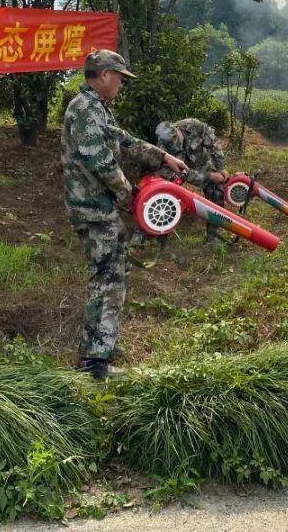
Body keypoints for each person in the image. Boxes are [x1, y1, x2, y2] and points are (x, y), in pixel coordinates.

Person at [62, 49, 188, 379]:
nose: (121, 84)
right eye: (119, 77)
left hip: (100, 208)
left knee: (111, 274)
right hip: (93, 210)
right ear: (104, 75)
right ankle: (95, 364)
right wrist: (129, 194)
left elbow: (124, 140)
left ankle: (97, 353)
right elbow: (99, 160)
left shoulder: (98, 109)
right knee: (108, 278)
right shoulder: (85, 110)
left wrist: (163, 157)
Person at [155, 118, 229, 245]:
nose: (175, 146)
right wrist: (210, 176)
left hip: (199, 160)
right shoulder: (162, 147)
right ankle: (158, 232)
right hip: (179, 166)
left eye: (176, 141)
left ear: (177, 130)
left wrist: (220, 168)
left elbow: (214, 144)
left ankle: (212, 235)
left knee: (216, 189)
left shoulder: (194, 126)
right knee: (164, 191)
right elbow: (184, 175)